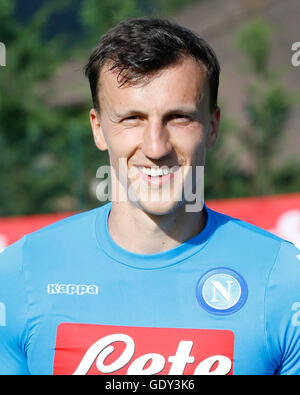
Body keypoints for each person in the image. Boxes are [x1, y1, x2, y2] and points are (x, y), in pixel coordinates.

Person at [0, 18, 299, 376]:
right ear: (98, 128)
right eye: (132, 119)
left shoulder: (284, 279)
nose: (156, 147)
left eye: (178, 118)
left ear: (213, 127)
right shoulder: (22, 273)